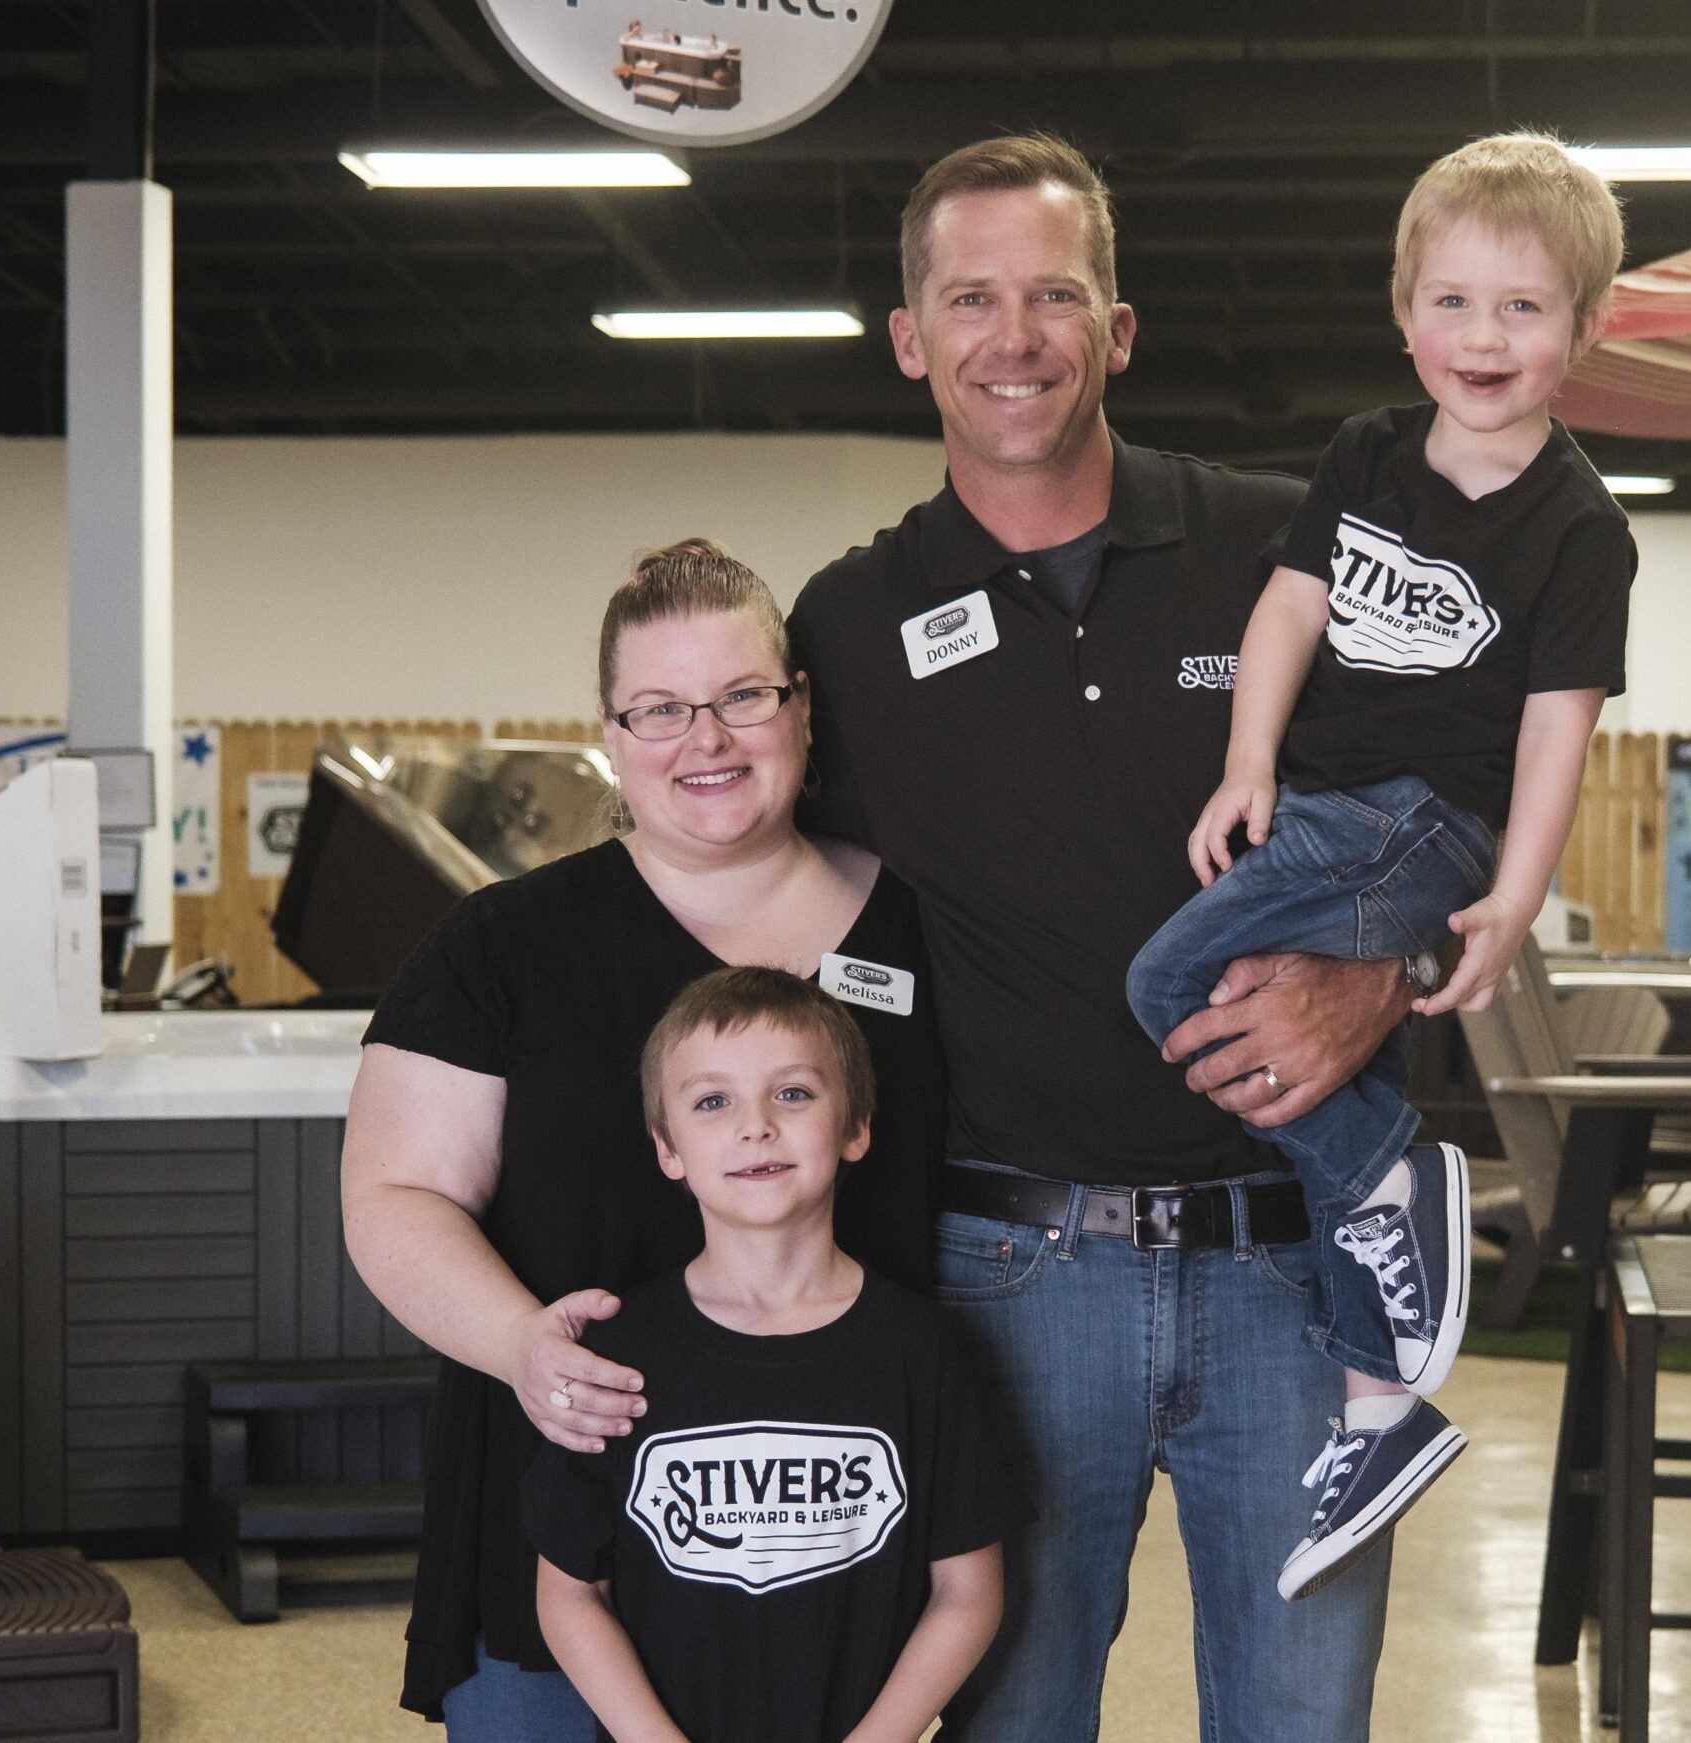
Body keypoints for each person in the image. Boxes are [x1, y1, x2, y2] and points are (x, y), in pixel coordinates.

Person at [788, 134, 1423, 1743]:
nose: (1015, 337)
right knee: (1009, 1718)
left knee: (1302, 1722)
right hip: (1004, 1280)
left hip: (1298, 1267)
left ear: (1118, 328)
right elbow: (770, 888)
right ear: (910, 337)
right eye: (971, 299)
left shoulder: (1285, 549)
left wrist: (1389, 971)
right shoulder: (849, 627)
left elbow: (1463, 813)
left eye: (1055, 294)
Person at [1127, 129, 1634, 1600]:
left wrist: (1515, 897)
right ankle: (1377, 1405)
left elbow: (1557, 727)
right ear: (1405, 310)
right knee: (1275, 1036)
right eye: (1453, 301)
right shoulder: (1364, 453)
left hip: (1424, 821)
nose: (1484, 336)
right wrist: (1247, 764)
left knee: (1166, 977)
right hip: (1322, 807)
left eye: (1523, 308)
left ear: (1585, 328)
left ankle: (1395, 1175)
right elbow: (1290, 611)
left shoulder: (1580, 529)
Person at [343, 539, 946, 1738]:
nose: (704, 740)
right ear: (612, 737)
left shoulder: (928, 929)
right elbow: (395, 1194)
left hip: (837, 1552)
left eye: (742, 697)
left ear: (801, 708)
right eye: (660, 709)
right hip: (569, 1541)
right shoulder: (501, 947)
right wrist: (520, 1346)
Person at [526, 967, 1014, 1743]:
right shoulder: (616, 1357)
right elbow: (570, 1593)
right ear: (668, 1148)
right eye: (712, 1101)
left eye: (792, 1092)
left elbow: (968, 1592)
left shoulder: (925, 1352)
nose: (755, 1125)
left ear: (855, 1126)